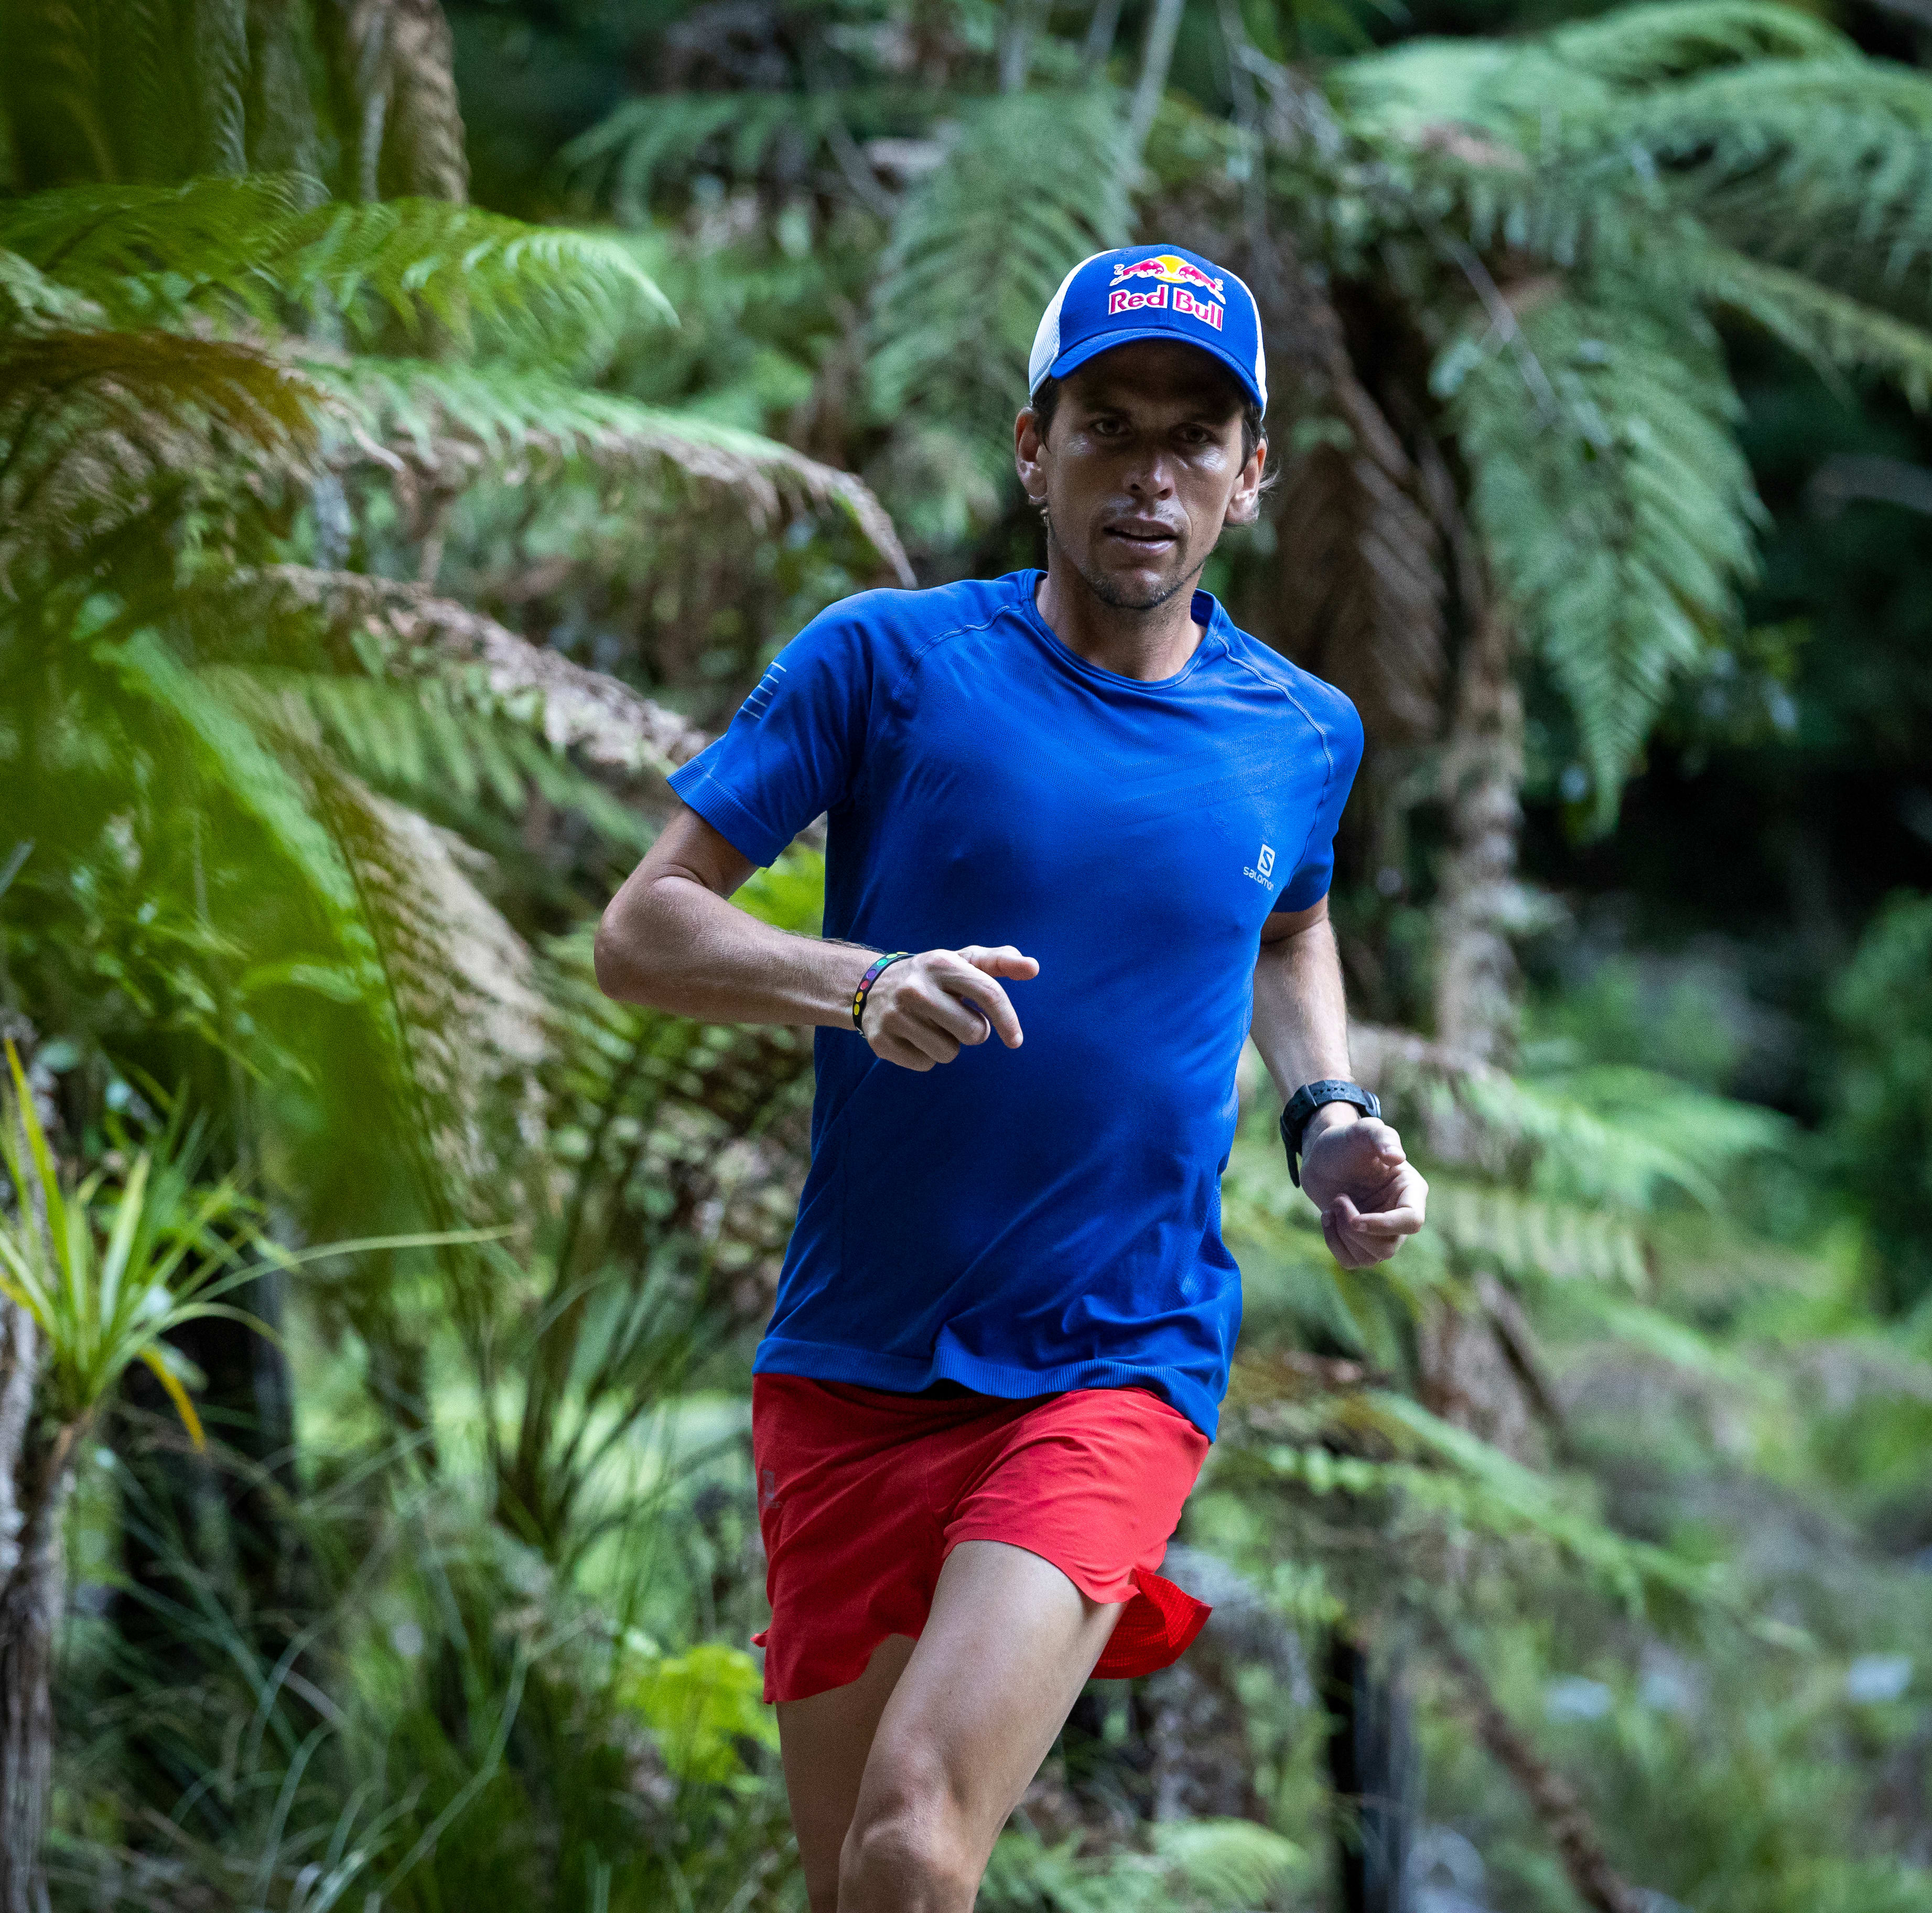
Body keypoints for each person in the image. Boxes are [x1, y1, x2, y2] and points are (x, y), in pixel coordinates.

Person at [593, 242, 1428, 1913]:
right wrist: (860, 982)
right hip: (852, 1358)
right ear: (1032, 451)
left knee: (917, 1830)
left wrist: (1326, 1108)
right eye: (1108, 425)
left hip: (1113, 1360)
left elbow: (1286, 925)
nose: (1151, 472)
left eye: (1197, 437)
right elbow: (642, 933)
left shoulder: (1303, 728)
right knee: (855, 1881)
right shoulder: (885, 665)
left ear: (1252, 478)